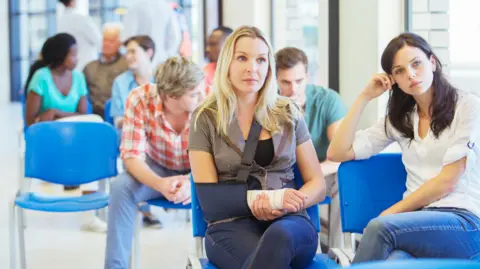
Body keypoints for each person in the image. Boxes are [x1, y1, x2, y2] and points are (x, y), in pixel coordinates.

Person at [327, 32, 480, 262]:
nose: (410, 74)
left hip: (464, 222)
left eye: (416, 64)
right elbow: (337, 152)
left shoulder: (468, 106)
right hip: (417, 226)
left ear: (433, 62)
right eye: (399, 70)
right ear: (393, 79)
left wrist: (390, 213)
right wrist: (364, 97)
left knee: (381, 228)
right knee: (395, 261)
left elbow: (447, 181)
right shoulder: (400, 119)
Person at [188, 26, 327, 269]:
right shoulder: (205, 118)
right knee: (267, 258)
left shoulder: (288, 113)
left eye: (261, 59)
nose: (253, 68)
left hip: (290, 222)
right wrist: (260, 200)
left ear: (269, 68)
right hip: (229, 224)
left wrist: (286, 202)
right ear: (226, 64)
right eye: (242, 58)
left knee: (279, 238)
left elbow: (318, 184)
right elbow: (210, 200)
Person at [104, 57, 205, 268]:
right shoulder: (139, 98)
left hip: (199, 169)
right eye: (194, 94)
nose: (202, 96)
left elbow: (215, 158)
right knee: (121, 188)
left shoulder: (208, 102)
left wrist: (190, 181)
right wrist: (160, 184)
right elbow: (131, 156)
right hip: (156, 166)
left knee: (225, 187)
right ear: (170, 96)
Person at [24, 33, 106, 232]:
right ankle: (86, 206)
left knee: (93, 130)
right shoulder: (41, 77)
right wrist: (59, 117)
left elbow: (84, 114)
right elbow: (31, 121)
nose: (77, 59)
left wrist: (55, 113)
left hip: (74, 139)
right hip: (48, 142)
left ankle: (89, 214)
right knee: (87, 147)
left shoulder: (78, 78)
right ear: (60, 55)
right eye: (73, 54)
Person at [275, 47, 346, 249]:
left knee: (345, 180)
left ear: (307, 76)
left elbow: (340, 155)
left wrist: (314, 173)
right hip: (283, 175)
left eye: (299, 81)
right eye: (285, 82)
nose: (293, 89)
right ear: (276, 80)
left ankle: (338, 251)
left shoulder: (327, 100)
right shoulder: (268, 104)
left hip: (322, 171)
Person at [83, 23, 128, 118]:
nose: (106, 44)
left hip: (119, 116)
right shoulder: (89, 67)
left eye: (111, 41)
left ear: (120, 44)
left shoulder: (127, 66)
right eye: (105, 40)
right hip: (94, 117)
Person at [110, 35, 155, 128]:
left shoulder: (163, 79)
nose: (128, 56)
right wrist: (139, 121)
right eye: (127, 52)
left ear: (149, 53)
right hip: (130, 136)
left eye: (133, 51)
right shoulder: (120, 82)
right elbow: (117, 122)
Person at [121, 0, 182, 65]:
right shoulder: (166, 7)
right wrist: (167, 56)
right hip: (162, 59)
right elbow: (175, 38)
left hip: (140, 59)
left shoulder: (134, 8)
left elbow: (127, 37)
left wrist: (130, 55)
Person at [57, 0, 102, 71]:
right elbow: (100, 42)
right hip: (87, 67)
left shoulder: (61, 21)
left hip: (71, 68)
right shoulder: (81, 18)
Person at [204, 26, 233, 91]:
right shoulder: (205, 72)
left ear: (228, 45)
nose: (207, 49)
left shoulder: (242, 72)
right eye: (207, 44)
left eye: (213, 44)